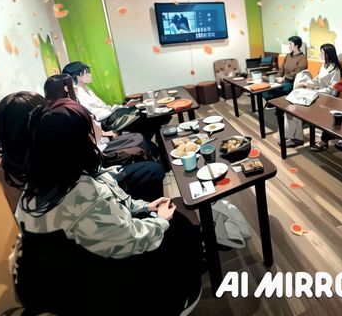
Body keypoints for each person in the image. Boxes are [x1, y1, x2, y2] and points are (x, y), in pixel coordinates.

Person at [12, 99, 202, 315]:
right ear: (77, 142)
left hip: (76, 277)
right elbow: (133, 239)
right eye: (89, 125)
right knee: (180, 227)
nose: (95, 126)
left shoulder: (33, 192)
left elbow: (114, 209)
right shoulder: (86, 197)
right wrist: (161, 220)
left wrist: (145, 207)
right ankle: (182, 297)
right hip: (104, 286)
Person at [44, 74, 165, 202]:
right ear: (66, 89)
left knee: (139, 141)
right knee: (142, 153)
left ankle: (157, 162)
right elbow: (91, 135)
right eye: (72, 85)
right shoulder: (66, 113)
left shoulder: (66, 108)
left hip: (96, 153)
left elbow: (92, 129)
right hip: (96, 160)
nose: (76, 87)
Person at [62, 61, 169, 140]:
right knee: (150, 117)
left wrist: (123, 107)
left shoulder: (87, 89)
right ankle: (152, 145)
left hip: (112, 116)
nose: (90, 74)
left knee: (150, 116)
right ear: (79, 77)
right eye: (87, 72)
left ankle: (151, 143)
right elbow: (96, 115)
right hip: (107, 122)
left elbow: (104, 107)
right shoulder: (78, 95)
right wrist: (119, 109)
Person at [283, 43, 342, 147]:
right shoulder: (324, 65)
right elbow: (317, 80)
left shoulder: (336, 70)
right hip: (316, 95)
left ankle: (296, 138)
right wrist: (306, 84)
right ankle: (296, 137)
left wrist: (316, 91)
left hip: (326, 100)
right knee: (290, 109)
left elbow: (332, 91)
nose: (320, 54)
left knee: (295, 109)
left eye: (322, 53)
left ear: (328, 54)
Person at [262, 36, 308, 101]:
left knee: (272, 92)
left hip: (292, 83)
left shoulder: (302, 58)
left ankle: (272, 103)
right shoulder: (288, 55)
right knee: (264, 90)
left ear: (296, 45)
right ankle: (271, 103)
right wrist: (277, 78)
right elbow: (281, 69)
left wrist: (283, 79)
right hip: (282, 82)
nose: (289, 46)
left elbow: (296, 74)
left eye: (290, 44)